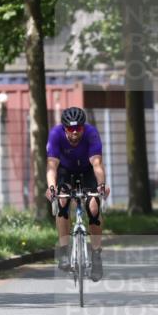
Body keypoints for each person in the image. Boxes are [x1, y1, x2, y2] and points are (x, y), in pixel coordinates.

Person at [45, 107, 108, 281]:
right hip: (65, 171)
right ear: (64, 128)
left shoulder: (91, 133)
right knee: (63, 203)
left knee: (94, 207)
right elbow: (52, 166)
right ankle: (64, 252)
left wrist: (101, 186)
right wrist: (52, 188)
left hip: (87, 171)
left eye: (78, 129)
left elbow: (97, 165)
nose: (74, 133)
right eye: (70, 129)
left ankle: (96, 255)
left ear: (83, 127)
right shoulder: (55, 134)